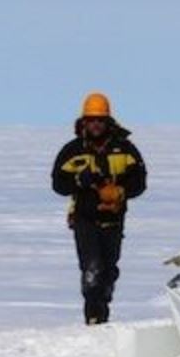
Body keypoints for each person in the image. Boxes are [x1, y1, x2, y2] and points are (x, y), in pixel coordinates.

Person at [49, 92, 147, 325]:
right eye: (91, 119)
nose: (95, 124)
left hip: (113, 220)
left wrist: (121, 191)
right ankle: (94, 319)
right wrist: (79, 182)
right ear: (83, 121)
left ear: (108, 121)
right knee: (91, 269)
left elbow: (140, 181)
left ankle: (103, 300)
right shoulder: (73, 151)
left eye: (99, 120)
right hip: (84, 219)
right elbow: (58, 184)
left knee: (108, 269)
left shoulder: (125, 149)